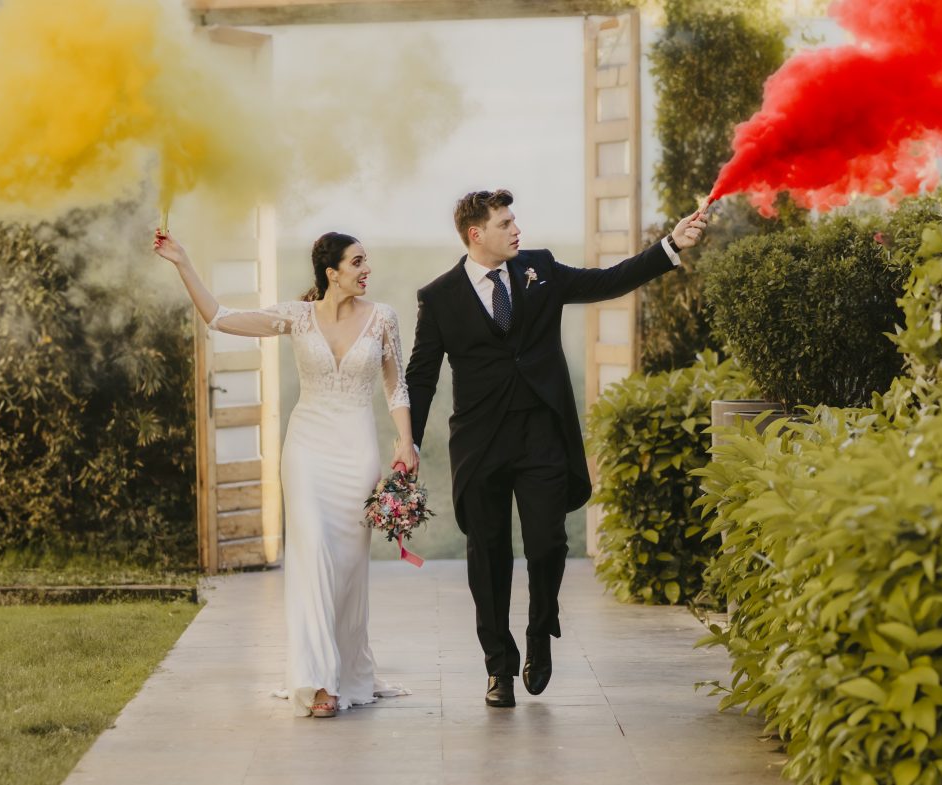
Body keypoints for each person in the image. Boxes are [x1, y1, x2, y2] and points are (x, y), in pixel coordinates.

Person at [405, 190, 706, 708]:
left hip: (543, 434)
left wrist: (669, 246)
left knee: (547, 544)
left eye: (515, 219)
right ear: (476, 235)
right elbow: (422, 376)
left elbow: (606, 282)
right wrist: (406, 440)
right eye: (505, 223)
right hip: (480, 446)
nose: (516, 230)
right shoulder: (438, 298)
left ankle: (540, 632)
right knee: (489, 556)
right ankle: (498, 666)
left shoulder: (539, 270)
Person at [154, 228, 417, 718]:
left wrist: (405, 441)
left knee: (347, 568)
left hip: (356, 452)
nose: (367, 270)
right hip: (307, 451)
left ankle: (343, 669)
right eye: (357, 262)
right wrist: (183, 262)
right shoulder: (296, 317)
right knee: (311, 550)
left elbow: (396, 386)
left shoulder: (384, 319)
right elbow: (220, 317)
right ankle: (316, 681)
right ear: (331, 272)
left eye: (367, 262)